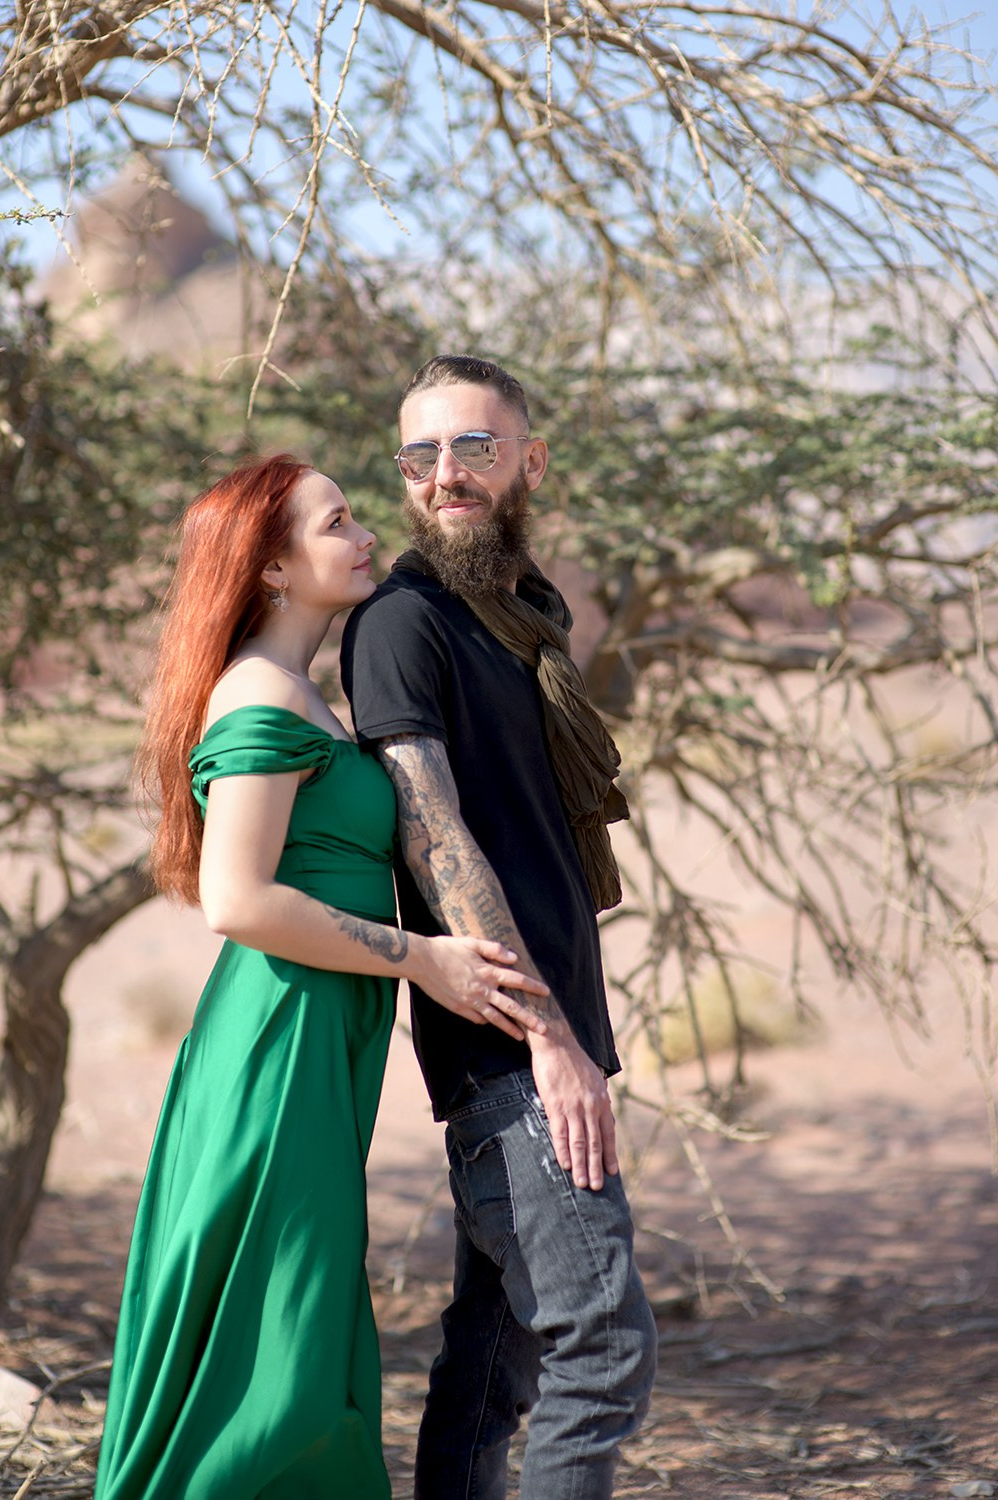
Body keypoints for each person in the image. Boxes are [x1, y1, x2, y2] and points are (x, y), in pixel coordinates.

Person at [94, 453, 550, 1500]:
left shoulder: (302, 690)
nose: (364, 538)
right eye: (336, 523)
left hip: (315, 1034)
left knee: (288, 1323)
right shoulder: (257, 693)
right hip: (278, 1041)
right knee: (278, 1349)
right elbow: (237, 900)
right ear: (269, 570)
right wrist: (424, 959)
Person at [341, 356, 658, 1499]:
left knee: (492, 1359)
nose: (443, 475)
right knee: (605, 1350)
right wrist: (550, 1042)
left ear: (530, 460)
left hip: (542, 1036)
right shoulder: (402, 624)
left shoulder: (524, 613)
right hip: (506, 1047)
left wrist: (573, 1031)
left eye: (473, 448)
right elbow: (436, 841)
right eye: (419, 455)